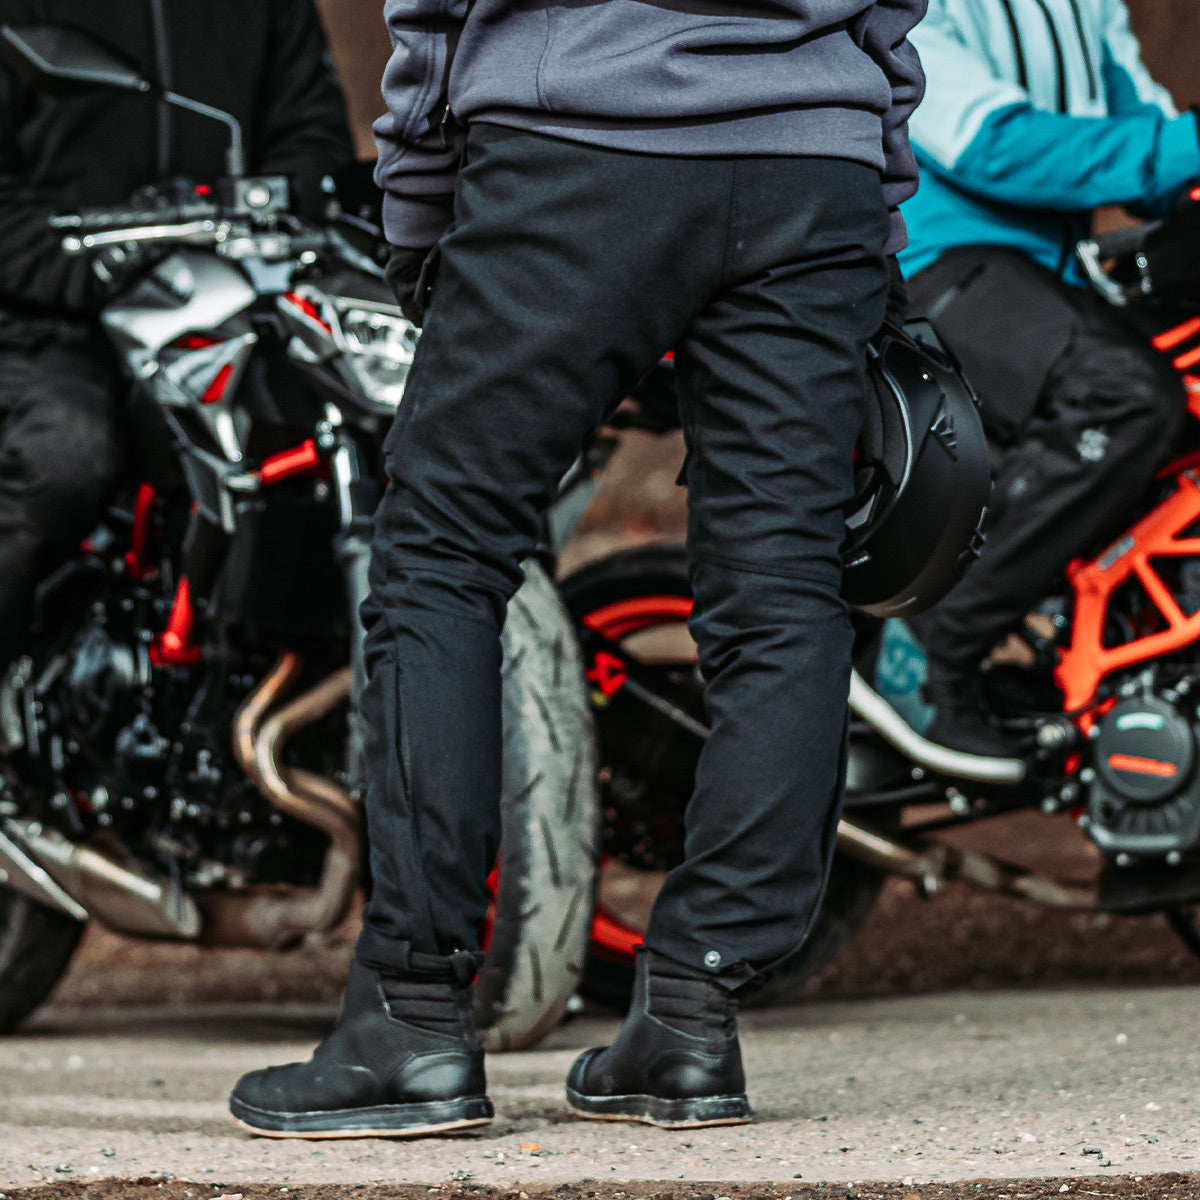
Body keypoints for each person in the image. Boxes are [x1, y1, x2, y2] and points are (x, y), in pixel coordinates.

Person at [228, 0, 926, 1138]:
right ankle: (692, 1017)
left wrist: (416, 200)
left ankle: (411, 1016)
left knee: (441, 556)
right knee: (783, 589)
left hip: (584, 135)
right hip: (815, 161)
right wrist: (866, 163)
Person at [879, 0, 1199, 758]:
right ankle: (926, 642)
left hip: (1054, 273)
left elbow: (1145, 136)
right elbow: (994, 145)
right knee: (1122, 395)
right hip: (927, 261)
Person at [0, 0, 354, 677]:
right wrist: (81, 260)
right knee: (63, 454)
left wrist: (273, 209)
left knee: (331, 440)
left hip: (227, 303)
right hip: (49, 318)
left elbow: (313, 138)